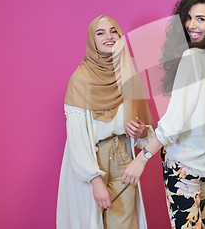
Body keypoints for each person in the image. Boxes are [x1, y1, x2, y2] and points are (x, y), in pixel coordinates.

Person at [121, 0, 205, 229]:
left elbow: (175, 122)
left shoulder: (192, 57)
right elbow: (198, 119)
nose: (191, 25)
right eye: (188, 18)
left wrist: (142, 157)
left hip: (185, 167)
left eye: (201, 19)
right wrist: (148, 133)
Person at [57, 15, 154, 229]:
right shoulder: (80, 80)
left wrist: (140, 133)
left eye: (113, 31)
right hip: (93, 161)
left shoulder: (127, 75)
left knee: (125, 224)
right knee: (91, 223)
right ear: (92, 40)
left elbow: (145, 132)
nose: (109, 36)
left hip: (124, 159)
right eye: (100, 33)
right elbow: (77, 138)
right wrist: (94, 179)